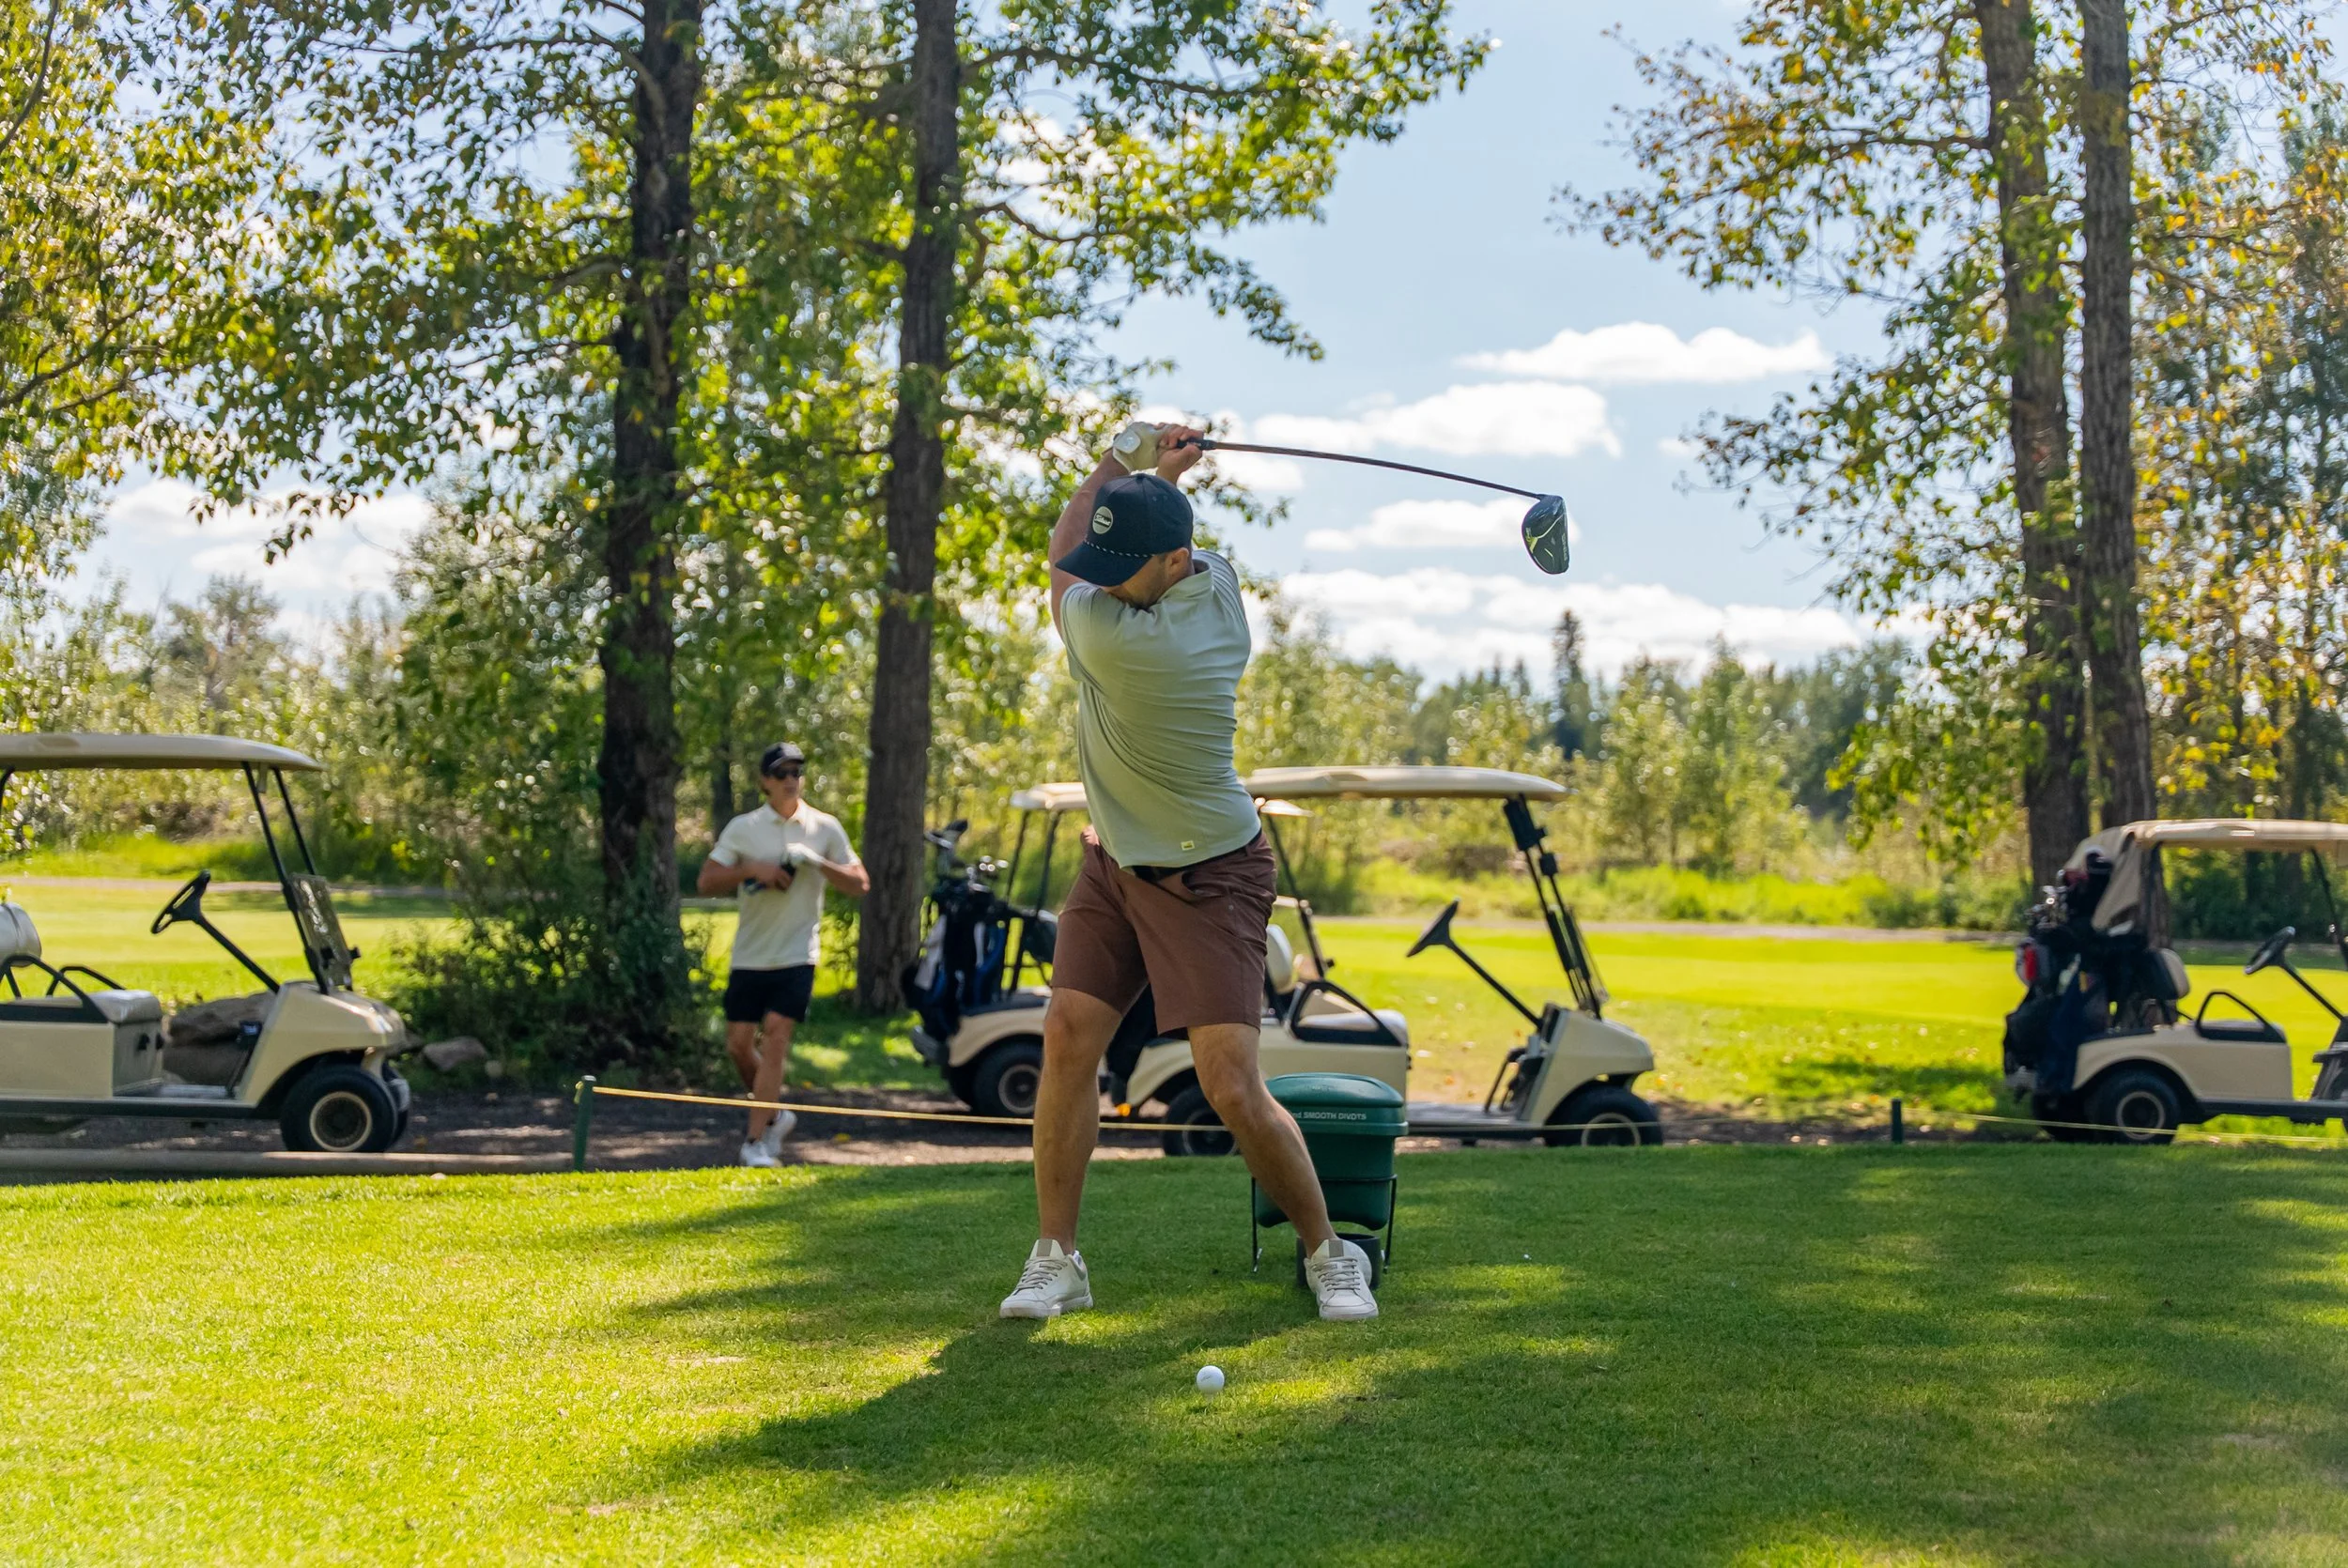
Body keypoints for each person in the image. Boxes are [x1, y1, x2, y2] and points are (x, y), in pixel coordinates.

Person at [996, 422, 1378, 1323]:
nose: (1101, 577)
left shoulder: (1122, 642)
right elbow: (1106, 546)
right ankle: (1057, 1257)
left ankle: (1332, 1252)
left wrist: (1119, 463)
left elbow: (1061, 558)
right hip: (1116, 863)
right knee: (1065, 1038)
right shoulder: (1215, 583)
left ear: (1169, 563)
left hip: (1212, 875)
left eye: (1119, 564)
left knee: (1229, 1083)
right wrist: (1149, 483)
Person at [699, 742, 869, 1167]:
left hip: (798, 953)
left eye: (796, 772)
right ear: (764, 782)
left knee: (776, 1035)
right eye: (781, 773)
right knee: (739, 1045)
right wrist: (751, 870)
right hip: (750, 956)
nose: (790, 780)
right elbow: (707, 881)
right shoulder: (744, 827)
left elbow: (859, 883)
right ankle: (774, 1113)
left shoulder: (825, 827)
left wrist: (815, 862)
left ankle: (755, 1143)